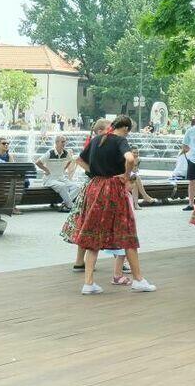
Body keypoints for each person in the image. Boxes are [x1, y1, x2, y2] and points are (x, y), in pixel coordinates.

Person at [70, 115, 156, 295]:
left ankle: (88, 283)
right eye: (128, 132)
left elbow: (79, 160)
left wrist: (95, 172)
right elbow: (130, 159)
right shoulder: (120, 140)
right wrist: (126, 175)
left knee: (93, 234)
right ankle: (138, 280)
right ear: (125, 128)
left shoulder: (96, 140)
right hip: (113, 189)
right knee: (127, 233)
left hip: (95, 187)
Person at [61, 119, 110, 270]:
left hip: (90, 185)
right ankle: (121, 261)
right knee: (102, 222)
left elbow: (79, 159)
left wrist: (92, 171)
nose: (111, 131)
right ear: (100, 131)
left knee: (85, 222)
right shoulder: (99, 143)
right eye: (109, 129)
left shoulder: (95, 142)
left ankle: (79, 261)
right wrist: (96, 172)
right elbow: (79, 160)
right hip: (98, 186)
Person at [35, 134, 80, 211]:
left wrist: (64, 168)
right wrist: (46, 170)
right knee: (62, 186)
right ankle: (71, 206)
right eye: (62, 142)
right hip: (49, 179)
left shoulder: (66, 153)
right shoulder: (50, 153)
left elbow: (70, 161)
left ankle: (64, 204)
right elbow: (38, 162)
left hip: (61, 178)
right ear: (56, 142)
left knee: (77, 187)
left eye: (65, 142)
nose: (64, 143)